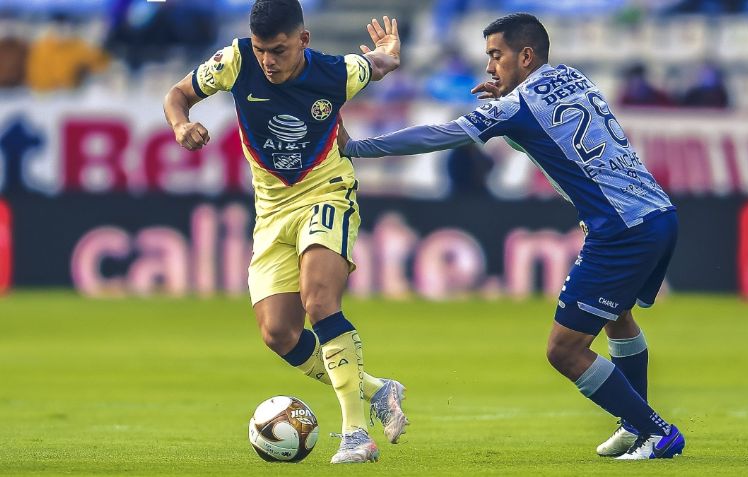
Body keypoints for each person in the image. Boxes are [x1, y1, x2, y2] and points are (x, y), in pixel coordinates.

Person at [340, 13, 684, 460]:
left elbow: (442, 135)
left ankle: (654, 430)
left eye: (496, 55)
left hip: (621, 231)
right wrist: (512, 93)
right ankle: (635, 427)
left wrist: (357, 147)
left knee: (564, 350)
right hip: (657, 213)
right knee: (617, 318)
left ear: (525, 55)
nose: (489, 67)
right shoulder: (572, 77)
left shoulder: (516, 107)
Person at [163, 0, 406, 464]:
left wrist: (390, 51)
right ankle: (378, 390)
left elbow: (378, 64)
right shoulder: (234, 61)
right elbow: (177, 95)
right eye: (260, 50)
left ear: (304, 40)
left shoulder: (336, 72)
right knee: (278, 332)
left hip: (326, 191)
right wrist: (180, 125)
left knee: (319, 303)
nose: (267, 61)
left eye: (277, 50)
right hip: (271, 209)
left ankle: (356, 433)